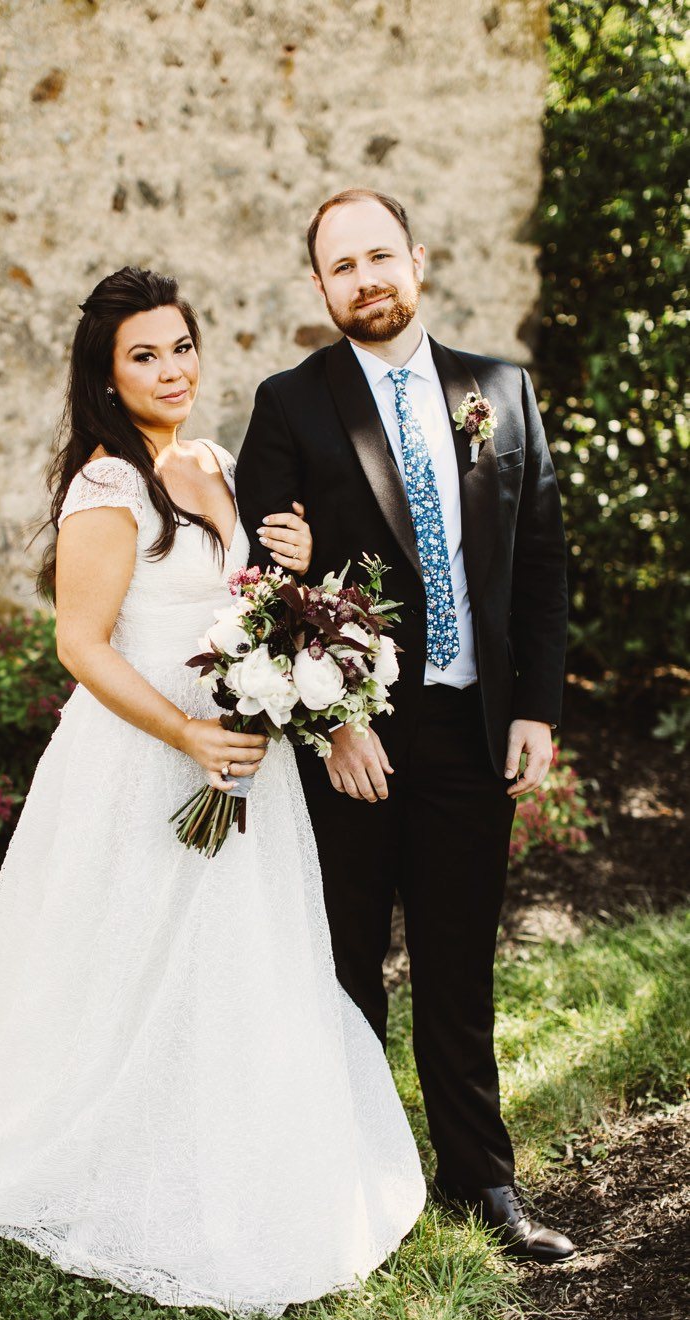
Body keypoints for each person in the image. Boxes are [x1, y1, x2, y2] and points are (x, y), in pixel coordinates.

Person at [0, 266, 426, 1315]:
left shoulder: (214, 461)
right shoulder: (107, 486)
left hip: (240, 757)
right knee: (137, 956)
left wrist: (283, 560)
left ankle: (239, 1136)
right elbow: (82, 643)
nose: (170, 371)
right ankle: (112, 1139)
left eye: (180, 347)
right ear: (108, 379)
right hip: (145, 755)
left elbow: (245, 598)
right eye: (142, 356)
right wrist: (188, 731)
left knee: (239, 955)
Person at [236, 190, 574, 1263]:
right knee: (345, 967)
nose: (367, 278)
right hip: (356, 741)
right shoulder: (290, 404)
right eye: (343, 266)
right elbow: (264, 584)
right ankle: (353, 1183)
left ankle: (482, 1181)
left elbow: (543, 563)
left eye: (381, 255)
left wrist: (536, 705)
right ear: (323, 289)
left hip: (474, 731)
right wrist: (334, 722)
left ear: (418, 261)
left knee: (458, 965)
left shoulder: (500, 391)